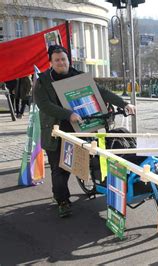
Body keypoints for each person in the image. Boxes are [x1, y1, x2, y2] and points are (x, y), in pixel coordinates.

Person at [34, 45, 136, 218]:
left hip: (81, 128)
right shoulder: (43, 81)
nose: (61, 63)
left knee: (90, 159)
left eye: (63, 59)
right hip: (56, 131)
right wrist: (68, 114)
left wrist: (124, 104)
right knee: (60, 168)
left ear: (68, 60)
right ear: (51, 62)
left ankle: (87, 184)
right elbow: (44, 105)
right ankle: (62, 201)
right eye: (57, 60)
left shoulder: (78, 76)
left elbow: (101, 92)